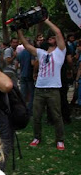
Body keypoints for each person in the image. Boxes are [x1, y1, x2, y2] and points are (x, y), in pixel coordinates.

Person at [17, 18, 66, 150]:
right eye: (48, 38)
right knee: (36, 115)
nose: (49, 39)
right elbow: (26, 46)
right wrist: (19, 31)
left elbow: (58, 32)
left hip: (53, 89)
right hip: (39, 89)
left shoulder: (60, 52)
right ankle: (37, 137)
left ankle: (60, 140)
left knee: (56, 116)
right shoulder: (41, 53)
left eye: (51, 38)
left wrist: (45, 20)